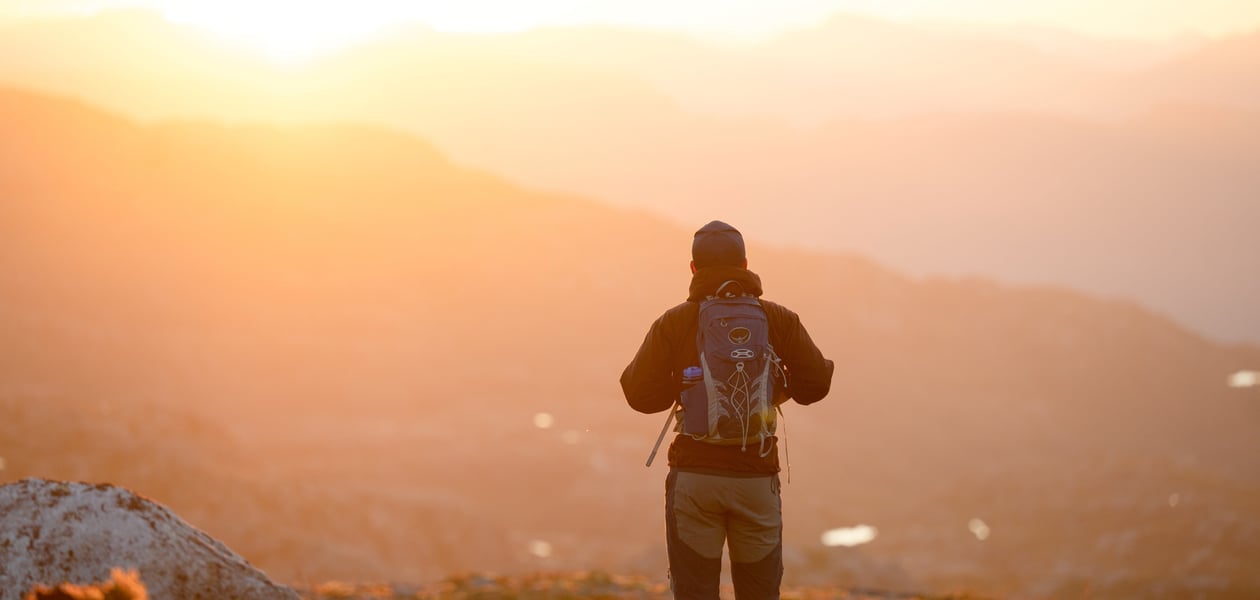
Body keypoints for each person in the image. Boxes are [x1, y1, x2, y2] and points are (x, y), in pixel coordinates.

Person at [621, 220, 834, 599]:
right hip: (755, 477)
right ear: (746, 264)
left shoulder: (674, 321)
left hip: (694, 478)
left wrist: (683, 386)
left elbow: (639, 396)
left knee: (695, 592)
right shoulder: (778, 318)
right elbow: (814, 387)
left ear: (692, 269)